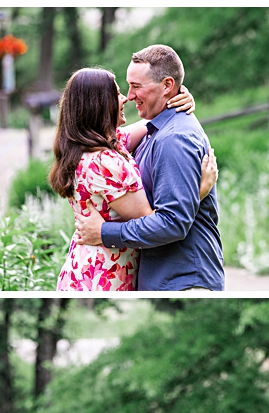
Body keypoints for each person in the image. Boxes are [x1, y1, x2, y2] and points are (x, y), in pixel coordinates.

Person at [73, 45, 225, 291]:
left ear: (166, 86)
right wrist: (195, 195)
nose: (129, 96)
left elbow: (173, 221)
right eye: (127, 87)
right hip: (161, 277)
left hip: (182, 280)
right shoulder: (145, 135)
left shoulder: (173, 139)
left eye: (136, 86)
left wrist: (104, 232)